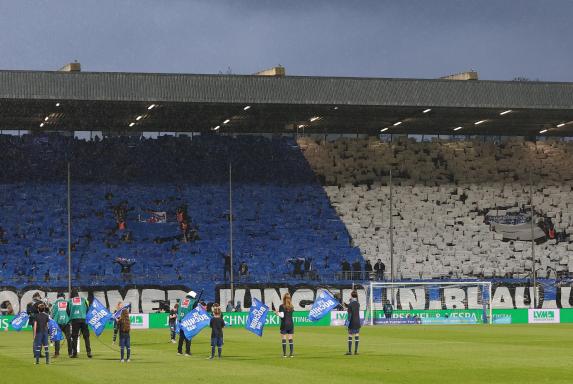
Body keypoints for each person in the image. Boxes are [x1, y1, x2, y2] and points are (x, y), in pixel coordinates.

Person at [67, 290, 92, 358]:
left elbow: (67, 311)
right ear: (77, 294)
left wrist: (71, 317)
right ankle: (89, 352)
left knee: (74, 337)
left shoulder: (70, 301)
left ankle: (74, 353)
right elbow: (87, 309)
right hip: (83, 319)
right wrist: (84, 315)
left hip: (75, 320)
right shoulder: (83, 300)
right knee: (86, 336)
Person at [51, 292, 72, 357]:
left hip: (57, 323)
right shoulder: (67, 302)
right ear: (64, 297)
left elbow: (52, 313)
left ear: (57, 297)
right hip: (66, 322)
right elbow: (70, 312)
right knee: (69, 338)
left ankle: (57, 353)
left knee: (57, 338)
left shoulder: (54, 303)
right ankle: (70, 353)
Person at [176, 291, 197, 356]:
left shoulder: (181, 301)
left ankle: (179, 351)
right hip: (188, 320)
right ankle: (187, 352)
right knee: (188, 336)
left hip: (181, 320)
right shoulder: (193, 302)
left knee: (181, 336)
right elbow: (195, 311)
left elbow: (177, 310)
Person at [274, 293, 295, 358]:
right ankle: (291, 354)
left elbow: (282, 316)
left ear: (283, 299)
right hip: (291, 324)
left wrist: (276, 313)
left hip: (284, 324)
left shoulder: (282, 306)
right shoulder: (291, 306)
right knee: (290, 338)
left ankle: (285, 354)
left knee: (284, 339)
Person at [345, 290, 361, 355]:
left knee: (350, 336)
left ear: (351, 295)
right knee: (357, 335)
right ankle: (356, 351)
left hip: (352, 322)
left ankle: (349, 351)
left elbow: (349, 315)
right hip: (357, 321)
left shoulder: (350, 304)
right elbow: (354, 309)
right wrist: (347, 306)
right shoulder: (358, 304)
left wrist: (347, 323)